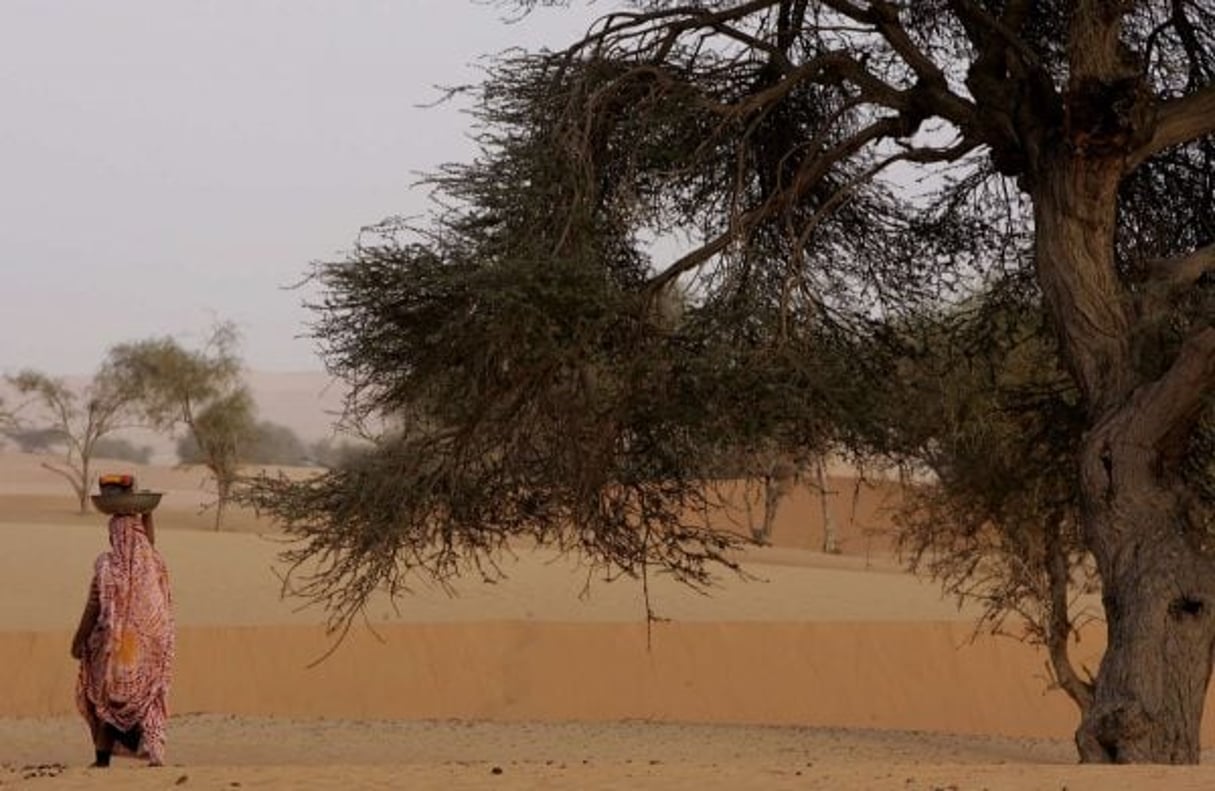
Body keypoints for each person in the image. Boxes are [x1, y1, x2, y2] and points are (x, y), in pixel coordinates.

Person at [70, 508, 174, 767]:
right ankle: (155, 755)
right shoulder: (153, 563)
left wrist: (78, 641)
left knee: (108, 702)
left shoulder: (106, 567)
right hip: (151, 651)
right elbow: (148, 542)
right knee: (149, 699)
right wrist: (147, 514)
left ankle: (102, 759)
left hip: (114, 652)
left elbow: (93, 607)